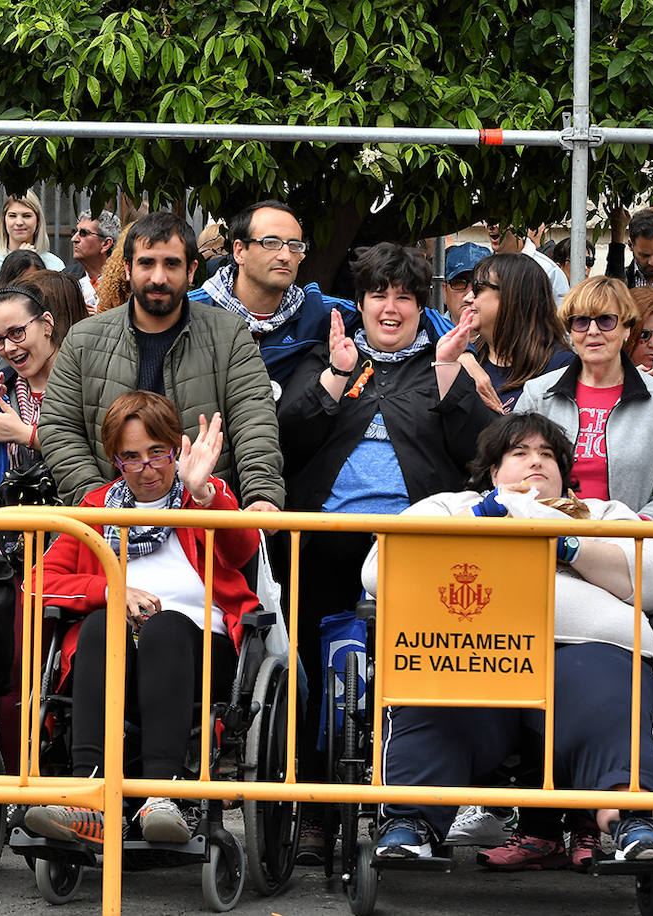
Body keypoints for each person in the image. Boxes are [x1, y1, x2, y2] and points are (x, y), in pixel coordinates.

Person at [368, 413, 653, 867]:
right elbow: (378, 572)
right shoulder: (450, 507)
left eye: (547, 454)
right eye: (520, 452)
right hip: (475, 650)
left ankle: (632, 821)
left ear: (564, 472)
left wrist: (568, 543)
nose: (536, 462)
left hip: (585, 649)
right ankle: (409, 824)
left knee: (610, 694)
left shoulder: (604, 513)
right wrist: (477, 522)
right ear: (493, 470)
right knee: (432, 690)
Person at [276, 241, 493, 860]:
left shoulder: (447, 360)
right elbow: (288, 438)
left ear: (421, 304)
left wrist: (452, 373)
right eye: (379, 294)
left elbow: (482, 457)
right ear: (362, 301)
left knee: (426, 669)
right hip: (327, 540)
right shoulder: (327, 355)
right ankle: (316, 810)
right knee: (312, 672)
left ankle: (412, 810)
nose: (391, 308)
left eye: (404, 296)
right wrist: (336, 376)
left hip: (419, 543)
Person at [23, 393, 259, 846]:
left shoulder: (202, 498)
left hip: (201, 653)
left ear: (176, 448)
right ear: (116, 461)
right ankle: (87, 800)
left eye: (157, 453)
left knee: (165, 626)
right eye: (131, 458)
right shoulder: (96, 509)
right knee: (99, 624)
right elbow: (38, 582)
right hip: (115, 655)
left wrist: (204, 492)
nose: (147, 468)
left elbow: (242, 550)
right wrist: (110, 590)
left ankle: (161, 796)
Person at [38, 211, 286, 511]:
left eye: (171, 264)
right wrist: (100, 505)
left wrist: (260, 493)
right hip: (105, 531)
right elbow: (58, 427)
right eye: (146, 263)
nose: (158, 277)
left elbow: (254, 420)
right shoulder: (83, 340)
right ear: (127, 269)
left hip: (204, 524)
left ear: (192, 270)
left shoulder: (229, 335)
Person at [514, 276, 653, 525]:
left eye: (606, 320)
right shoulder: (538, 394)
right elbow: (510, 472)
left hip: (628, 547)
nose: (593, 331)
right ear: (571, 331)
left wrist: (637, 526)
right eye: (581, 321)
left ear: (627, 329)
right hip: (549, 544)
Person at [188, 199, 345, 386]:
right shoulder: (191, 311)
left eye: (294, 246)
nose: (285, 256)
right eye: (271, 243)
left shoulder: (322, 313)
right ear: (239, 251)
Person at [0, 281, 73, 510]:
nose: (8, 347)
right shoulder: (3, 388)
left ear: (47, 324)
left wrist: (26, 435)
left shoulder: (81, 382)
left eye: (17, 332)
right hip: (6, 533)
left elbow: (97, 452)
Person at [461, 252, 575, 410]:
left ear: (513, 296)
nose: (467, 298)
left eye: (478, 289)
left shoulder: (561, 367)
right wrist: (463, 356)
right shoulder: (469, 358)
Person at [0, 191, 64, 288]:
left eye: (26, 216)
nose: (19, 222)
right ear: (4, 220)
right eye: (12, 216)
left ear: (38, 221)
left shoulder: (55, 264)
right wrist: (18, 260)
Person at [66, 209, 120, 308]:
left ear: (106, 244)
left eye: (84, 233)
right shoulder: (67, 278)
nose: (74, 239)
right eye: (75, 232)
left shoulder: (124, 281)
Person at [440, 242, 488, 323]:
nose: (469, 295)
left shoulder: (509, 334)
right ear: (444, 292)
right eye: (459, 284)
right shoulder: (429, 334)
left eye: (479, 285)